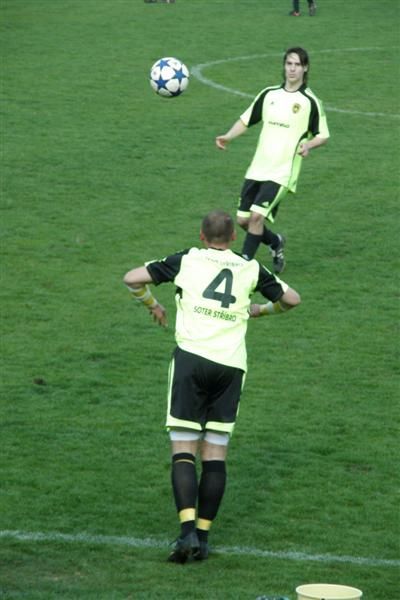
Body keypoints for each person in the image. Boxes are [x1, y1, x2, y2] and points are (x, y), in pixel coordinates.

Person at [123, 210, 300, 563]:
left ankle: (186, 531)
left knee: (183, 448)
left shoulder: (186, 260)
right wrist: (260, 311)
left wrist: (153, 305)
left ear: (202, 236)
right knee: (215, 452)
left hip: (191, 360)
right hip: (230, 366)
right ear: (234, 238)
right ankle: (203, 538)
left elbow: (132, 279)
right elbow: (292, 299)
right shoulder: (250, 267)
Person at [215, 47, 329, 273]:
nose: (292, 69)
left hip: (282, 172)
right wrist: (228, 136)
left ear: (305, 68)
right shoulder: (269, 94)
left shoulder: (310, 101)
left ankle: (242, 267)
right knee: (244, 220)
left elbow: (323, 135)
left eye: (297, 64)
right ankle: (275, 242)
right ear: (284, 66)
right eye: (289, 64)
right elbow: (246, 120)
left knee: (257, 217)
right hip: (258, 168)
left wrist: (308, 144)